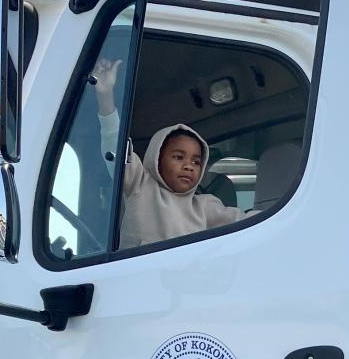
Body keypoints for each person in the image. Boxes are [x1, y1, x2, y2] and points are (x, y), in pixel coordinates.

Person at [93, 56, 249, 249]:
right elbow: (115, 146)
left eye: (196, 162)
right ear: (157, 159)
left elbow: (248, 222)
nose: (188, 166)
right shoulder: (139, 184)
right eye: (178, 157)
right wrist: (105, 97)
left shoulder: (205, 206)